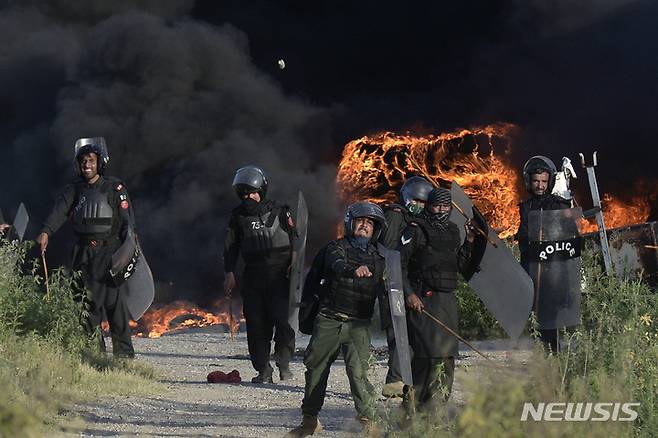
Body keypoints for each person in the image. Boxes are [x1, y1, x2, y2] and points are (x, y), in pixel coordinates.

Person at [287, 202, 387, 437]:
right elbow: (337, 264)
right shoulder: (335, 248)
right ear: (351, 223)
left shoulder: (381, 258)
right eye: (361, 221)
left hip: (358, 325)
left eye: (370, 223)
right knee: (316, 370)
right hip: (330, 319)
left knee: (358, 372)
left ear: (375, 229)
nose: (364, 225)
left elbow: (392, 287)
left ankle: (369, 422)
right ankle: (309, 420)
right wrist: (353, 270)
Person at [36, 137, 136, 357]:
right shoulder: (74, 190)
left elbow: (127, 222)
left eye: (90, 160)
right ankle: (95, 356)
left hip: (110, 253)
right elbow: (59, 212)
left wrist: (127, 249)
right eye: (83, 161)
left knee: (115, 308)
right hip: (83, 255)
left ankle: (124, 358)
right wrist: (46, 231)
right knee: (87, 306)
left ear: (99, 163)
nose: (86, 165)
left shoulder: (114, 187)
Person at [399, 187, 475, 410]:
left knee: (446, 358)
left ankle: (436, 413)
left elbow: (459, 266)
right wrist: (409, 294)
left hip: (447, 301)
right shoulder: (415, 229)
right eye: (436, 206)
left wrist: (469, 240)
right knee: (426, 357)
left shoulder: (452, 231)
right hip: (423, 300)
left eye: (445, 206)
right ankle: (410, 413)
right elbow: (399, 264)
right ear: (428, 206)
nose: (440, 210)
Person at [223, 166, 297, 383]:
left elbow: (296, 241)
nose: (248, 197)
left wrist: (294, 265)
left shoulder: (281, 211)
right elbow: (230, 247)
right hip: (253, 275)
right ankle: (263, 369)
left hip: (280, 275)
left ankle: (283, 362)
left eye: (252, 193)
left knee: (283, 322)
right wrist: (229, 273)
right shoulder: (238, 217)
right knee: (256, 325)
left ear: (261, 191)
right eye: (244, 194)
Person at [379, 176, 433, 398]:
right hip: (392, 282)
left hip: (406, 281)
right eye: (416, 201)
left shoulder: (415, 220)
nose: (419, 206)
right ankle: (394, 382)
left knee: (408, 333)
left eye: (423, 202)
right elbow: (389, 251)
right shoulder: (396, 215)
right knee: (398, 332)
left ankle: (403, 381)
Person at [515, 155, 571, 352]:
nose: (540, 186)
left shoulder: (560, 205)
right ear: (529, 181)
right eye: (536, 181)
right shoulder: (525, 207)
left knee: (552, 321)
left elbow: (568, 239)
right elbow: (522, 239)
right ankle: (543, 360)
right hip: (533, 271)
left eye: (544, 181)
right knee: (536, 322)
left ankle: (555, 358)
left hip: (553, 273)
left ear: (550, 182)